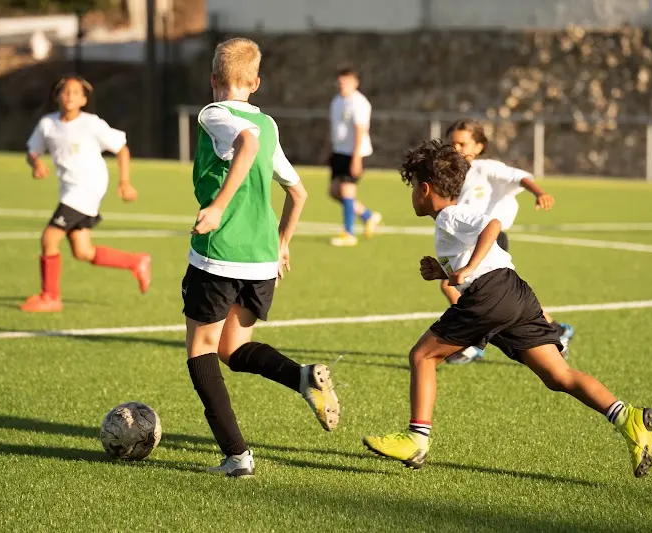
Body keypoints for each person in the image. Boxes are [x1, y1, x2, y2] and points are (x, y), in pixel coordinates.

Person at [362, 140, 652, 478]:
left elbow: (492, 226)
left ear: (425, 189)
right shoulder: (449, 221)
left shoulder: (450, 216)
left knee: (422, 356)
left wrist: (468, 268)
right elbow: (483, 257)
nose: (413, 194)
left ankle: (416, 439)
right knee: (558, 376)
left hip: (490, 296)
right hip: (515, 294)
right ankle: (628, 417)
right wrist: (443, 272)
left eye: (414, 187)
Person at [183, 38, 340, 478]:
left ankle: (237, 456)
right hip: (261, 259)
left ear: (213, 79)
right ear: (255, 82)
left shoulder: (213, 113)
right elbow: (298, 192)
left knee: (201, 350)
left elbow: (247, 145)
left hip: (221, 254)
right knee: (234, 349)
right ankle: (302, 378)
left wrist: (217, 207)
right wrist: (283, 242)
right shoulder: (268, 122)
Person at [442, 119, 574, 364]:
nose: (456, 148)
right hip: (468, 241)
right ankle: (555, 328)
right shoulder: (452, 174)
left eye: (463, 143)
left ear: (479, 146)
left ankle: (473, 343)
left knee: (458, 287)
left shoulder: (486, 169)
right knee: (504, 295)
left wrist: (539, 192)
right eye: (452, 143)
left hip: (490, 237)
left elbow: (520, 177)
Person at [21, 75, 151, 313]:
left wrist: (125, 183)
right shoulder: (48, 124)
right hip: (69, 189)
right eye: (66, 91)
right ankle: (136, 262)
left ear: (83, 100)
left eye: (76, 93)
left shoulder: (92, 124)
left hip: (87, 187)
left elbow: (122, 150)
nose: (70, 96)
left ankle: (50, 297)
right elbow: (32, 151)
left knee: (49, 238)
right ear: (57, 96)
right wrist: (36, 163)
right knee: (82, 251)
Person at [326, 68, 382, 247]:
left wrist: (356, 159)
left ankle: (348, 233)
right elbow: (336, 128)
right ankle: (368, 216)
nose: (342, 85)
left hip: (355, 152)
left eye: (346, 82)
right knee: (334, 192)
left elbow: (360, 130)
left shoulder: (359, 103)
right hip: (339, 152)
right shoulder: (337, 101)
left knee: (347, 191)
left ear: (355, 83)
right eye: (340, 82)